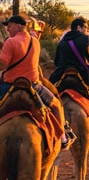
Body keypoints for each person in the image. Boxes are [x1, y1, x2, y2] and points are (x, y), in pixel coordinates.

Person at [0, 15, 76, 150]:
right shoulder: (35, 42)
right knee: (57, 105)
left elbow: (3, 64)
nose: (7, 30)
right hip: (33, 87)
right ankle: (63, 138)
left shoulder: (10, 42)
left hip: (9, 86)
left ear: (19, 26)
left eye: (9, 26)